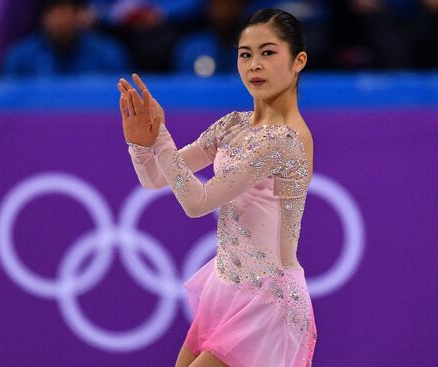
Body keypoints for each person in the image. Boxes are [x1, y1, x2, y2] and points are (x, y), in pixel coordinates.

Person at [118, 8, 316, 367]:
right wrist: (140, 144)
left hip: (268, 304)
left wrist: (161, 138)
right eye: (245, 54)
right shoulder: (232, 126)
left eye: (268, 52)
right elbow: (157, 180)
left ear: (298, 60)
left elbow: (197, 202)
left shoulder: (285, 140)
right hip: (225, 287)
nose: (254, 64)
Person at [2, 0, 129, 77]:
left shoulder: (108, 55)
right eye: (55, 13)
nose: (61, 21)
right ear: (43, 18)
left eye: (66, 13)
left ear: (79, 15)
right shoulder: (20, 58)